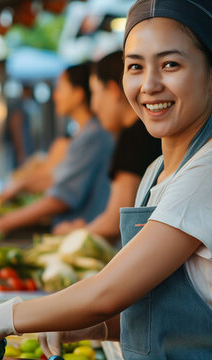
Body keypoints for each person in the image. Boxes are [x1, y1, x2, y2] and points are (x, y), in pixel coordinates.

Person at [0, 1, 212, 359]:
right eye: (135, 67)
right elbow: (163, 313)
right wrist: (94, 326)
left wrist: (8, 316)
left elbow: (107, 293)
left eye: (170, 64)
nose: (150, 85)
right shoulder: (156, 173)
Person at [0, 62, 114, 234]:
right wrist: (20, 185)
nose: (55, 95)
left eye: (60, 88)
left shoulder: (92, 136)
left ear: (78, 94)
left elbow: (61, 198)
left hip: (79, 236)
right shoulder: (84, 135)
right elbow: (54, 178)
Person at [53, 51, 162, 243]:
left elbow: (115, 222)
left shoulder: (135, 137)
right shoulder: (141, 133)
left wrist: (74, 233)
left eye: (95, 93)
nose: (94, 106)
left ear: (113, 91)